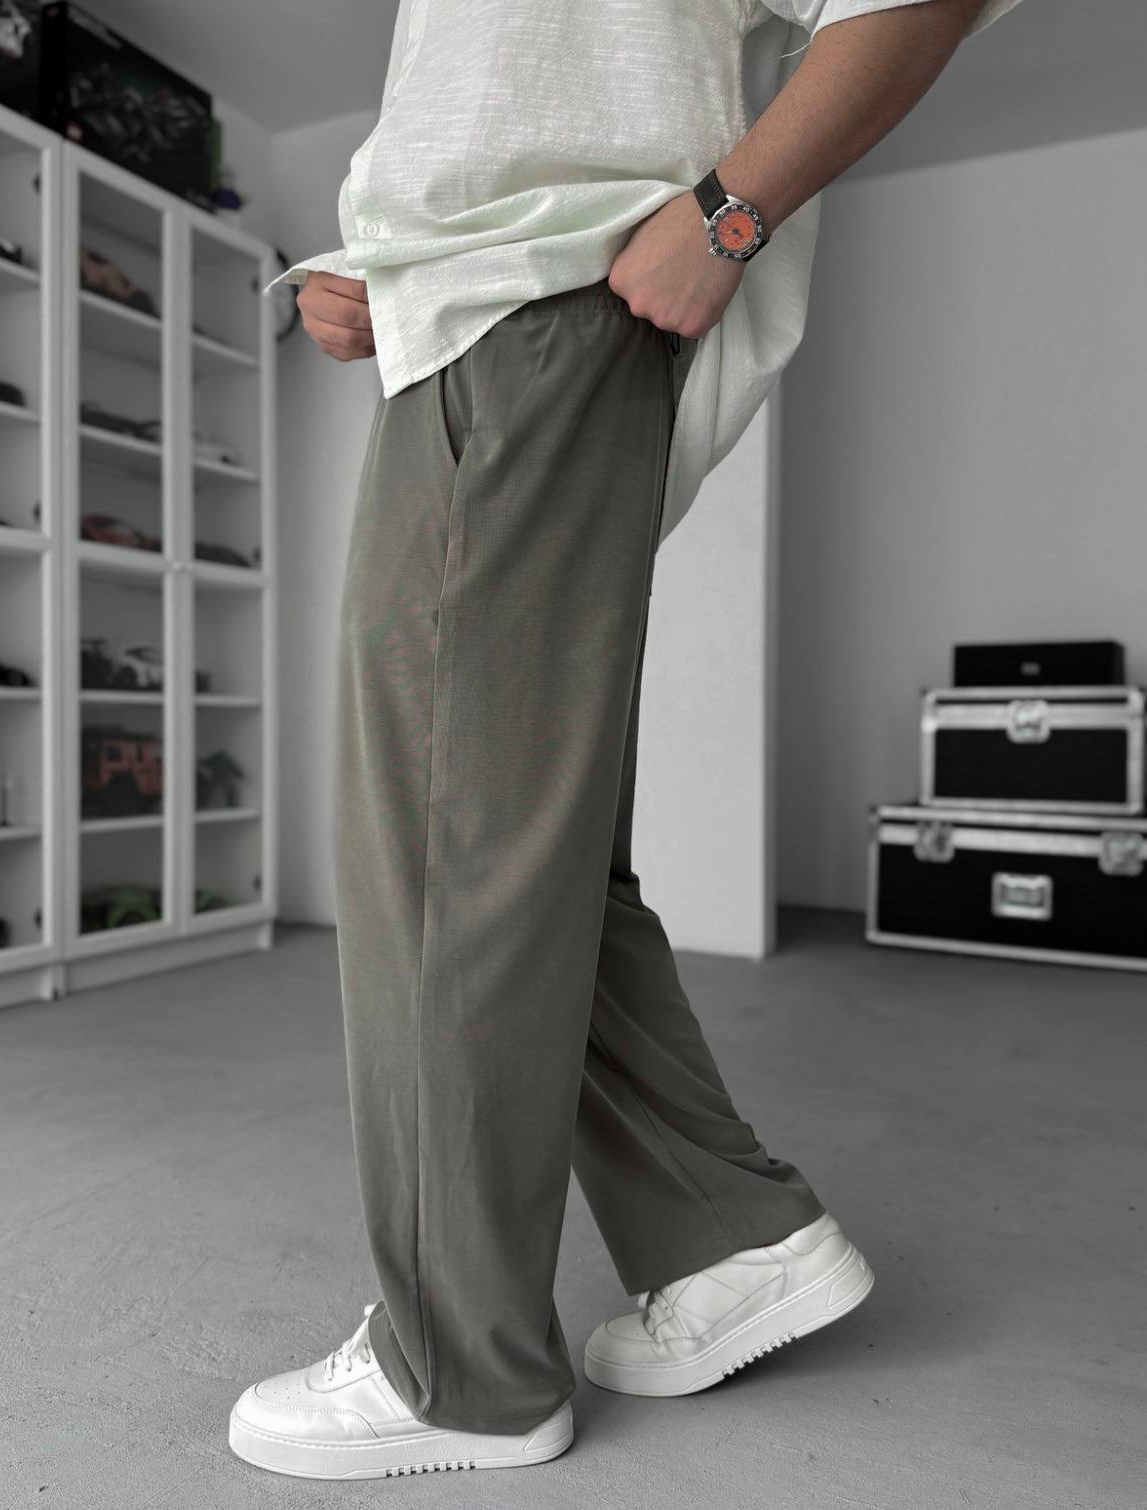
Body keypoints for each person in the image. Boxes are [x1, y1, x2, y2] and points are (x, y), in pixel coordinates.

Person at [229, 0, 1024, 1481]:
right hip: (489, 317)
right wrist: (387, 268)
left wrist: (727, 213)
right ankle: (728, 1235)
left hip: (531, 316)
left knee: (444, 855)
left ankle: (458, 1370)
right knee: (518, 848)